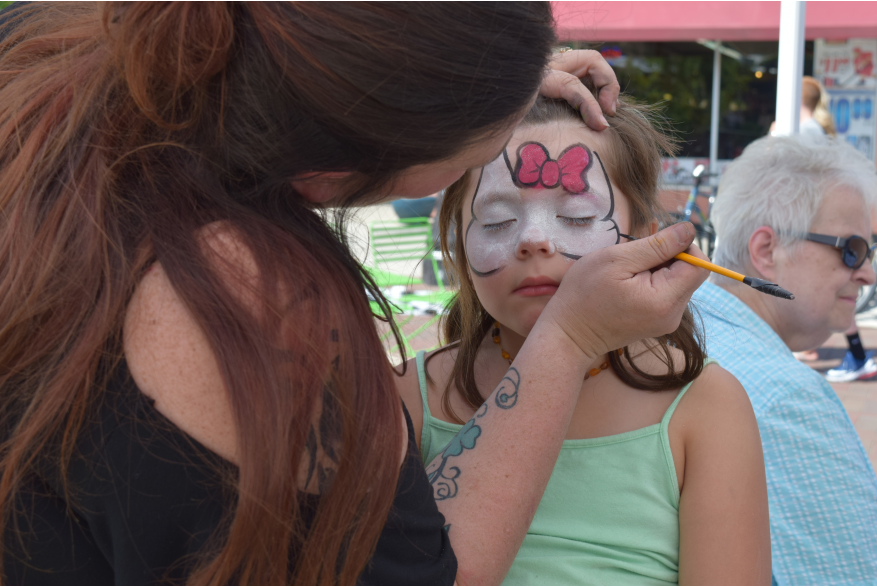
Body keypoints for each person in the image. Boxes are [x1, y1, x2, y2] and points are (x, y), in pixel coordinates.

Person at [0, 2, 709, 584]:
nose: (535, 239)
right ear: (339, 171)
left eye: (579, 218)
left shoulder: (47, 62)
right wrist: (569, 338)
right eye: (492, 208)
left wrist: (483, 87)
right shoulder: (258, 298)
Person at [397, 96, 770, 585]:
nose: (535, 240)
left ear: (649, 241)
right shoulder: (409, 395)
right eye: (497, 220)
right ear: (457, 248)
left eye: (575, 217)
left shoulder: (706, 406)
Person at [695, 135, 877, 585]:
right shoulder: (786, 397)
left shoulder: (683, 329)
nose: (868, 271)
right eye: (852, 249)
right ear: (766, 251)